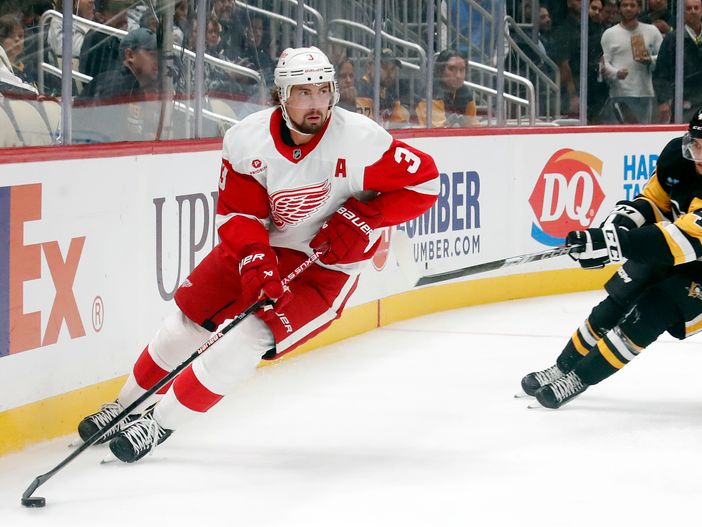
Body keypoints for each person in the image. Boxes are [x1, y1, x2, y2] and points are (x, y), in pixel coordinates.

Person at [76, 46, 440, 463]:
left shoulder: (361, 139)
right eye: (304, 92)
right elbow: (239, 214)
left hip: (326, 266)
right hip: (266, 244)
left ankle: (157, 425)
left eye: (323, 90)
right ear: (281, 96)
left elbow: (425, 183)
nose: (316, 103)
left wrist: (362, 218)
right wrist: (254, 259)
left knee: (247, 337)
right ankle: (124, 407)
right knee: (185, 324)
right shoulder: (246, 139)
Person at [520, 101, 702, 409]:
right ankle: (562, 367)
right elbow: (652, 202)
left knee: (653, 311)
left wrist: (613, 244)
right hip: (678, 246)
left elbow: (681, 243)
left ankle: (578, 379)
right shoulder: (678, 156)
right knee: (616, 301)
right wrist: (612, 229)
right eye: (697, 144)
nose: (701, 156)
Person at [652, 0, 702, 123]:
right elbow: (661, 73)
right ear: (682, 13)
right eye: (689, 8)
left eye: (696, 8)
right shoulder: (672, 39)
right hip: (684, 102)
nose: (693, 11)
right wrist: (663, 101)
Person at [600, 0, 662, 123]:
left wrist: (650, 60)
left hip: (645, 92)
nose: (628, 8)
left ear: (639, 8)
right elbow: (604, 63)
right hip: (619, 93)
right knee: (620, 135)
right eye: (624, 5)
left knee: (643, 135)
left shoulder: (652, 31)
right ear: (619, 8)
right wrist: (616, 73)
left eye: (632, 5)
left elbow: (663, 57)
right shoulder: (609, 34)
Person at [416, 49, 478, 127]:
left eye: (462, 70)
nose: (458, 76)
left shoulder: (465, 93)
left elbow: (473, 126)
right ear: (440, 70)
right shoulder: (432, 94)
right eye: (452, 69)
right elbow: (438, 131)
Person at [355, 47, 410, 126]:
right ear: (368, 68)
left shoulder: (390, 93)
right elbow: (366, 129)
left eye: (392, 68)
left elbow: (400, 124)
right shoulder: (361, 91)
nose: (389, 73)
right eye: (384, 67)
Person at [79, 0, 130, 80]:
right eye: (116, 13)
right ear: (100, 17)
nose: (124, 17)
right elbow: (109, 77)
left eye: (125, 13)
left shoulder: (114, 37)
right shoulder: (96, 39)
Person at [0, 13, 37, 94]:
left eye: (20, 36)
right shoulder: (1, 66)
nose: (17, 39)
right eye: (11, 35)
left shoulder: (25, 66)